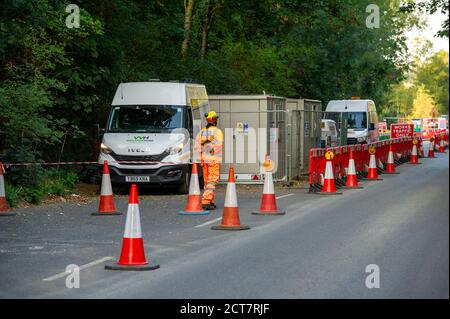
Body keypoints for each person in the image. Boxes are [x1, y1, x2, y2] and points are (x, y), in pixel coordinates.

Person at [194, 111, 223, 210]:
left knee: (207, 182)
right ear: (214, 120)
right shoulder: (217, 132)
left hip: (204, 160)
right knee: (212, 180)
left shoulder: (201, 132)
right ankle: (206, 201)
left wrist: (201, 158)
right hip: (213, 160)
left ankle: (210, 200)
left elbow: (197, 147)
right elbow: (218, 147)